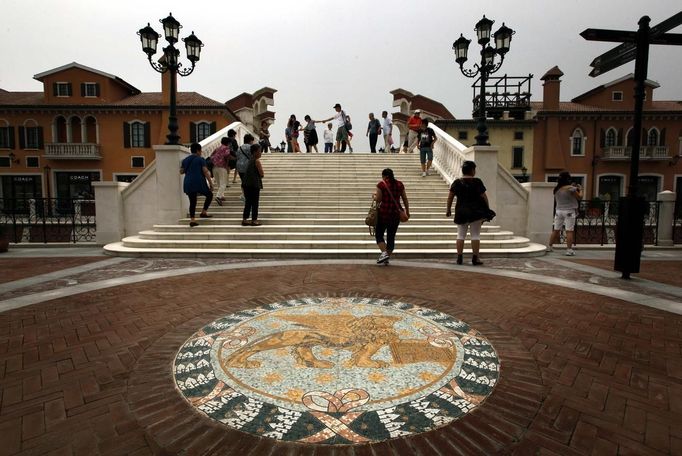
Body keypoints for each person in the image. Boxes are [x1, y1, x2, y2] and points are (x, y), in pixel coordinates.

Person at [446, 160, 490, 266]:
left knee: (460, 235)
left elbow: (450, 197)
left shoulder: (457, 182)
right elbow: (484, 197)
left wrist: (448, 209)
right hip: (476, 212)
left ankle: (459, 258)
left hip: (461, 211)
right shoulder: (477, 182)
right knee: (475, 235)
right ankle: (475, 258)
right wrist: (487, 210)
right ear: (472, 170)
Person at [374, 168, 409, 265]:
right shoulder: (399, 184)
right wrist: (407, 211)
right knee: (391, 237)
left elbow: (378, 200)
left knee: (379, 234)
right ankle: (386, 257)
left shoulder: (381, 184)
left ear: (384, 176)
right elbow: (405, 198)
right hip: (395, 215)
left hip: (383, 213)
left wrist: (374, 196)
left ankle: (384, 254)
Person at [547, 171, 583, 256]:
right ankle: (569, 250)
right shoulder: (571, 188)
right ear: (568, 179)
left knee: (556, 230)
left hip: (558, 211)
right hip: (569, 211)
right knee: (569, 231)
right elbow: (580, 197)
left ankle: (550, 247)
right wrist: (581, 189)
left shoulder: (557, 189)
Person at [180, 143, 213, 227]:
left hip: (188, 182)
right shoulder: (201, 159)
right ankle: (204, 212)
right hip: (199, 182)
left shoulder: (185, 160)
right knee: (209, 195)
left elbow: (181, 172)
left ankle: (192, 220)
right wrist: (211, 183)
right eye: (200, 150)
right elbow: (205, 171)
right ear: (198, 151)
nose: (201, 152)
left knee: (192, 201)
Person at [241, 144, 264, 226]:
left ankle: (245, 219)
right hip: (254, 184)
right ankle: (254, 220)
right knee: (255, 203)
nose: (260, 152)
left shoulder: (250, 160)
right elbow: (261, 173)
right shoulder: (257, 161)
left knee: (248, 202)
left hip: (246, 184)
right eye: (259, 151)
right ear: (255, 152)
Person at [210, 137, 232, 205]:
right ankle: (218, 196)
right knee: (223, 183)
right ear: (228, 143)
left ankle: (222, 195)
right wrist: (227, 166)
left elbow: (211, 155)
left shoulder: (217, 148)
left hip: (214, 167)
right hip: (222, 167)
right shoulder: (227, 148)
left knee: (219, 183)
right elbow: (227, 156)